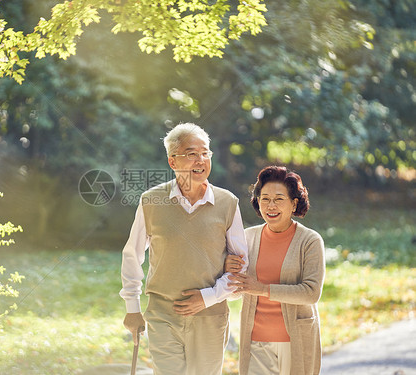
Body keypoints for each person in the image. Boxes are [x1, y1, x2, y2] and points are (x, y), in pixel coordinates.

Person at [119, 122, 249, 375]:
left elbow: (240, 267)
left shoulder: (228, 203)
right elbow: (132, 255)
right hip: (162, 315)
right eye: (191, 153)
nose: (200, 160)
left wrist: (208, 297)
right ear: (173, 162)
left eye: (205, 152)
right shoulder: (151, 201)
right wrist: (132, 309)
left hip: (210, 317)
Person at [226, 166, 326, 375]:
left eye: (279, 199)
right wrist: (229, 270)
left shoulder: (310, 241)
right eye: (265, 199)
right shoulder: (247, 237)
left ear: (294, 203)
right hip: (255, 341)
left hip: (295, 339)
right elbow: (235, 289)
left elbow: (311, 293)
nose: (271, 205)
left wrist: (262, 289)